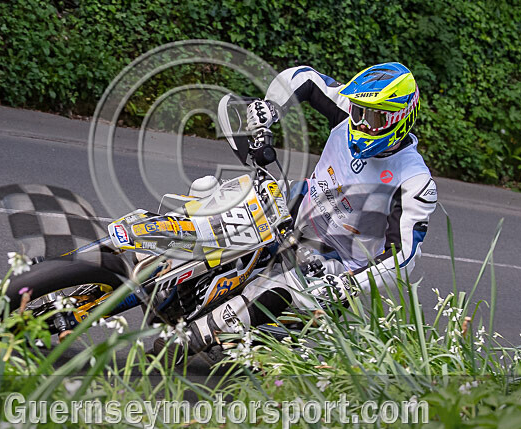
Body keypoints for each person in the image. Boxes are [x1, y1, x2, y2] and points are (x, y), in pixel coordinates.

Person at [155, 62, 437, 362]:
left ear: (401, 118)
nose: (364, 123)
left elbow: (403, 256)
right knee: (218, 200)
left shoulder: (415, 180)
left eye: (376, 117)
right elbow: (306, 77)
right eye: (359, 112)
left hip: (336, 260)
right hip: (298, 206)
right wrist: (271, 107)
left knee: (281, 286)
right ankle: (162, 260)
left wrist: (349, 283)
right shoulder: (347, 111)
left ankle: (189, 339)